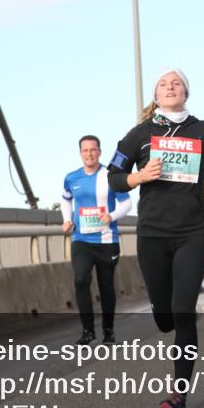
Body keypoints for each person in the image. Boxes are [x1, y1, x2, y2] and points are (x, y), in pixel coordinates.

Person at [107, 68, 204, 408]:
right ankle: (161, 309)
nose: (170, 87)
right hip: (152, 233)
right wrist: (139, 176)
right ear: (156, 95)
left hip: (193, 231)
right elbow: (114, 176)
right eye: (163, 84)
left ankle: (178, 396)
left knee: (184, 310)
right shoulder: (139, 135)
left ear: (186, 92)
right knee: (164, 317)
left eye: (176, 83)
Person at [62, 135, 132, 345]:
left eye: (93, 150)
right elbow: (66, 200)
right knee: (81, 280)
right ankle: (87, 331)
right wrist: (66, 220)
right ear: (80, 153)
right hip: (81, 239)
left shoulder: (110, 176)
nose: (89, 154)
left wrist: (112, 216)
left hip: (107, 240)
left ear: (99, 152)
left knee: (106, 287)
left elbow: (126, 204)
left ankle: (108, 331)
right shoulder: (71, 178)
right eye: (85, 150)